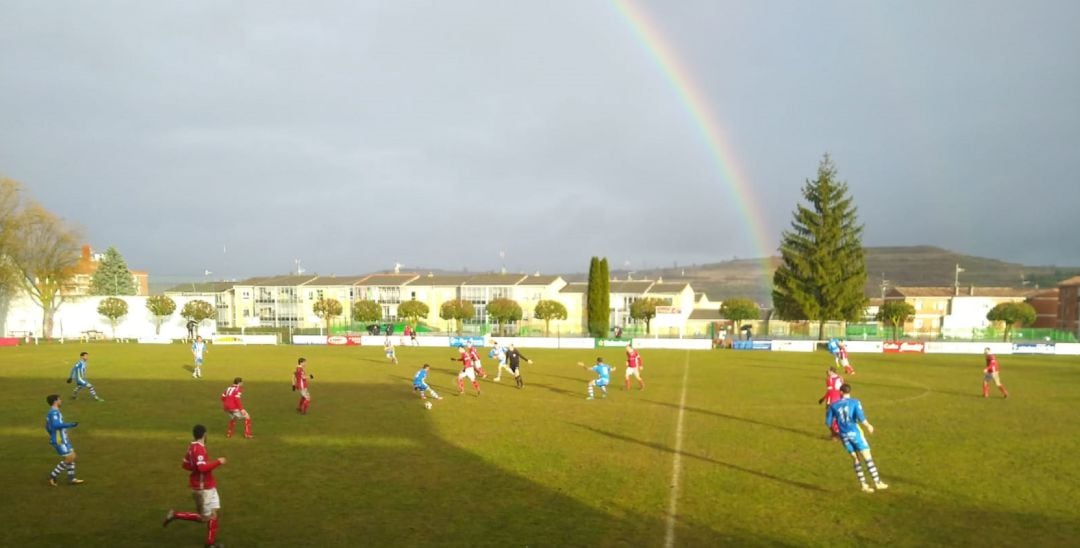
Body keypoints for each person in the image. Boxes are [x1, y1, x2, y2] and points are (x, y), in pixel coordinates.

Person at [163, 424, 226, 548]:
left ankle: (210, 544)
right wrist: (219, 461)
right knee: (205, 518)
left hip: (209, 485)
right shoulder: (199, 449)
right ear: (204, 434)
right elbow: (202, 467)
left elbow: (185, 465)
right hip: (203, 489)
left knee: (214, 514)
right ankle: (175, 515)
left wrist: (195, 469)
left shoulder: (192, 447)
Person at [825, 384, 888, 493]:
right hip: (855, 433)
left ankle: (863, 485)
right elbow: (861, 418)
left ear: (840, 392)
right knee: (867, 456)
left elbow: (828, 422)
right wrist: (868, 426)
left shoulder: (834, 405)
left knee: (855, 458)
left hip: (844, 435)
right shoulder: (855, 402)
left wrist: (834, 433)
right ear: (849, 392)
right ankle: (877, 482)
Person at [45, 394, 84, 486]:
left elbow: (47, 426)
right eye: (59, 399)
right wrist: (70, 424)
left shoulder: (53, 412)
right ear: (55, 401)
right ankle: (52, 476)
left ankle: (71, 478)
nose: (61, 401)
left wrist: (51, 433)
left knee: (72, 456)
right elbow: (55, 425)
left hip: (64, 438)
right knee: (69, 457)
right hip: (60, 440)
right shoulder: (54, 412)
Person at [818, 366, 845, 438]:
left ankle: (835, 434)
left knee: (828, 418)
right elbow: (843, 388)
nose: (827, 372)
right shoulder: (840, 377)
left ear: (832, 371)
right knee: (838, 416)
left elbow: (830, 391)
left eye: (828, 371)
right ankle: (839, 433)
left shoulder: (829, 379)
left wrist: (823, 399)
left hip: (831, 400)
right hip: (839, 399)